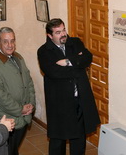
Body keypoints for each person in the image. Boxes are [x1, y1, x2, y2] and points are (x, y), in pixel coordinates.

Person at [37, 18, 100, 155]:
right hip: (60, 103)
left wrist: (67, 61)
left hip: (79, 100)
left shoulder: (75, 42)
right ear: (50, 35)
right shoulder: (44, 51)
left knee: (79, 139)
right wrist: (78, 64)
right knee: (57, 141)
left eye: (64, 30)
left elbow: (88, 57)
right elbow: (54, 72)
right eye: (58, 32)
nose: (63, 34)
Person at [0, 27, 36, 155]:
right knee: (8, 151)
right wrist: (20, 109)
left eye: (12, 41)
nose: (10, 45)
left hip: (24, 116)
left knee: (14, 150)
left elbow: (29, 82)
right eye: (6, 41)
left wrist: (31, 104)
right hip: (8, 119)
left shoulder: (18, 57)